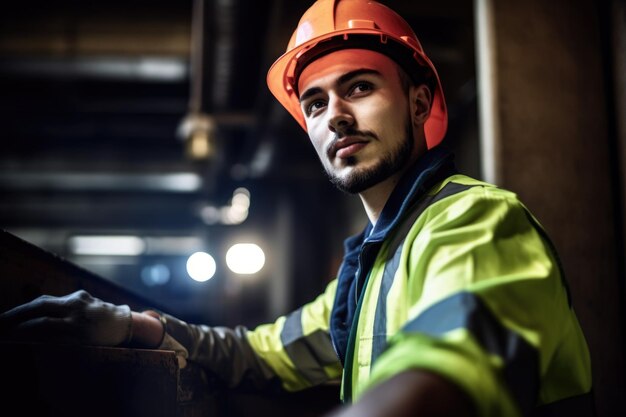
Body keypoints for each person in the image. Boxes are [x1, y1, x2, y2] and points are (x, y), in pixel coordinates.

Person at [0, 1, 593, 416]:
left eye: (359, 87)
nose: (333, 114)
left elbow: (454, 366)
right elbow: (255, 354)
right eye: (314, 102)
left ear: (418, 102)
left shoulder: (475, 223)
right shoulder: (367, 272)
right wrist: (134, 325)